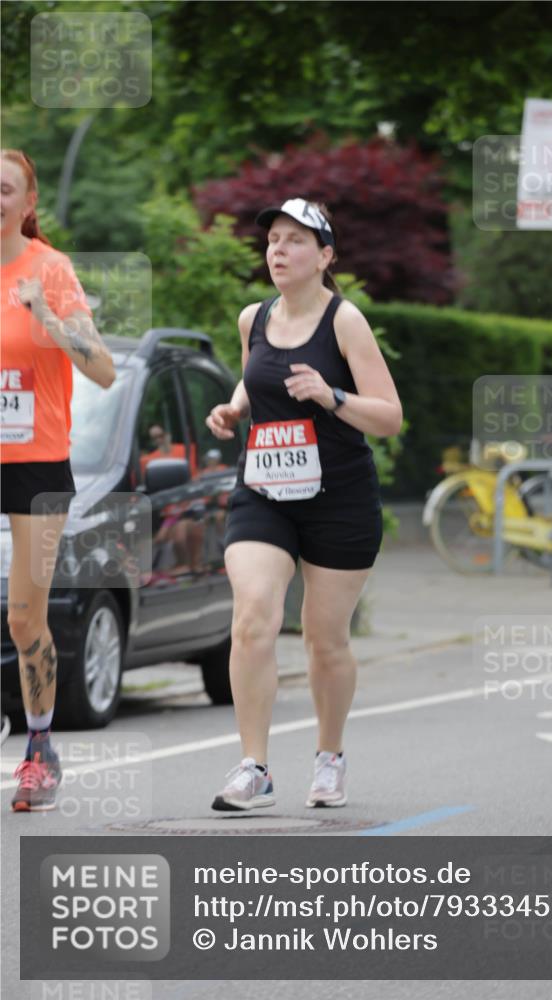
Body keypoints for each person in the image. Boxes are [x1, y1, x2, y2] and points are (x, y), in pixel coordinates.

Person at [206, 197, 402, 811]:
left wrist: (330, 394)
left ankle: (329, 756)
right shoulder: (253, 318)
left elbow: (390, 416)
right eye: (273, 241)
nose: (278, 251)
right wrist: (236, 407)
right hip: (264, 490)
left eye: (295, 241)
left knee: (324, 639)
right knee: (254, 616)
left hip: (338, 497)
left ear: (325, 255)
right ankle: (254, 767)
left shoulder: (345, 322)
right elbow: (255, 375)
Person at [1, 150, 116, 811]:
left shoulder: (51, 269)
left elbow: (101, 369)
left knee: (24, 618)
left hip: (37, 463)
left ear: (28, 200)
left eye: (4, 188)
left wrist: (46, 314)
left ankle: (40, 748)